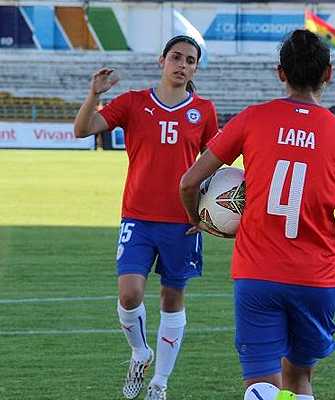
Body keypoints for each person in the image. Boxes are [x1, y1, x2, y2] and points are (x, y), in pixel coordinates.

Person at [180, 29, 335, 400]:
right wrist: (329, 243)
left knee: (261, 386)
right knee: (300, 380)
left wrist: (197, 218)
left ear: (280, 73)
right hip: (315, 277)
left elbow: (189, 183)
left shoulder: (253, 119)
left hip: (257, 274)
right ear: (329, 74)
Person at [74, 35, 219, 400]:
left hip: (181, 223)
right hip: (137, 218)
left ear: (195, 68)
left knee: (172, 300)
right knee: (129, 293)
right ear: (162, 61)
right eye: (176, 57)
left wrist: (208, 211)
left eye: (190, 60)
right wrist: (94, 94)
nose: (182, 64)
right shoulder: (134, 103)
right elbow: (81, 130)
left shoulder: (203, 110)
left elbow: (216, 165)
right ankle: (140, 352)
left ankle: (160, 383)